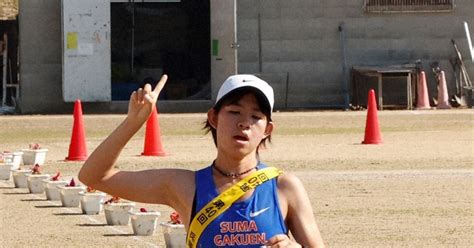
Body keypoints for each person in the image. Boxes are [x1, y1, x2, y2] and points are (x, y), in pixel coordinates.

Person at [79, 74, 325, 247]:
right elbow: (94, 176)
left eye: (256, 116)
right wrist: (134, 121)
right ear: (214, 118)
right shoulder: (185, 185)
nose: (244, 123)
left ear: (268, 129)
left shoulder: (284, 187)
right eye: (234, 111)